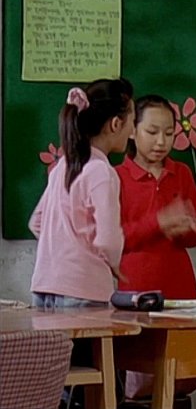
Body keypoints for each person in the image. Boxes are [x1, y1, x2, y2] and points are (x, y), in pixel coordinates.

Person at [115, 94, 196, 401]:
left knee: (183, 379)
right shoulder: (116, 177)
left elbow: (195, 236)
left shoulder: (182, 173)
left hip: (180, 290)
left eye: (169, 133)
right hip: (136, 292)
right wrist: (158, 222)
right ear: (132, 131)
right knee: (138, 379)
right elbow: (115, 239)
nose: (161, 142)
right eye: (152, 132)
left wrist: (187, 228)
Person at [29, 78, 135, 307]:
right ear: (116, 124)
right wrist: (115, 264)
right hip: (85, 288)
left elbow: (36, 222)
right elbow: (107, 238)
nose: (132, 131)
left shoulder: (62, 166)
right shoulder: (101, 171)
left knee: (51, 335)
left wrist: (63, 250)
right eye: (132, 123)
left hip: (43, 286)